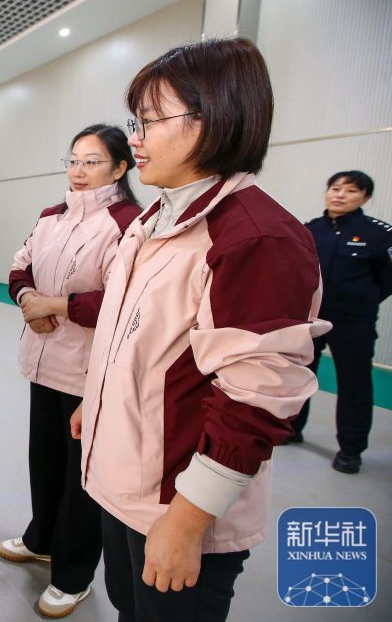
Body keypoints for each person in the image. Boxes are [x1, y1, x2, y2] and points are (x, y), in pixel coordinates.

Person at [70, 38, 330, 622]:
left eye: (149, 121)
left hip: (176, 505)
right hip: (125, 484)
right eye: (134, 122)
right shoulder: (156, 218)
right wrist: (99, 399)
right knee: (128, 607)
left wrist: (188, 522)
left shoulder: (255, 237)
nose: (135, 138)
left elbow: (255, 398)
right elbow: (141, 337)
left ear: (214, 118)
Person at [0, 124, 141, 618]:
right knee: (44, 460)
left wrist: (54, 305)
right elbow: (19, 267)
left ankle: (74, 575)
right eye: (73, 160)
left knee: (83, 478)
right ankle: (41, 539)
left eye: (92, 162)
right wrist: (27, 300)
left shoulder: (128, 223)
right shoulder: (50, 216)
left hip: (89, 372)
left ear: (120, 168)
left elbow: (122, 300)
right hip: (44, 361)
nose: (79, 171)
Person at [289, 171, 392, 473]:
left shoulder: (379, 234)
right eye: (335, 188)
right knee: (298, 375)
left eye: (351, 191)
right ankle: (291, 429)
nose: (340, 195)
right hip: (309, 318)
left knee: (354, 384)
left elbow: (387, 280)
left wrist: (363, 300)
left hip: (354, 322)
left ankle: (350, 450)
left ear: (365, 197)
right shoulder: (309, 230)